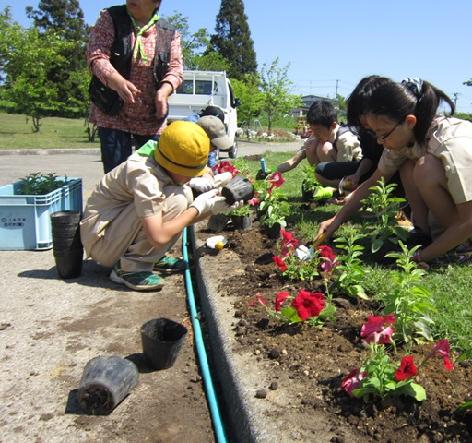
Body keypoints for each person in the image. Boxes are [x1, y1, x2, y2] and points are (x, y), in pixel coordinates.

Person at [315, 78, 472, 264]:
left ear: (409, 121)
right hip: (470, 215)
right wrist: (336, 219)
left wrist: (419, 258)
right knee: (408, 165)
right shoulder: (405, 137)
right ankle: (424, 235)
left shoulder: (454, 142)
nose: (380, 142)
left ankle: (462, 248)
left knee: (425, 168)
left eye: (382, 134)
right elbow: (374, 181)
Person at [80, 121, 240, 291]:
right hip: (102, 241)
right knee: (178, 199)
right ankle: (129, 267)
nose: (192, 176)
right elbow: (159, 237)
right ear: (174, 166)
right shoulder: (145, 179)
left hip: (116, 230)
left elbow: (182, 221)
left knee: (182, 194)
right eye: (190, 172)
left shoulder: (164, 154)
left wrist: (211, 209)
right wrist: (197, 207)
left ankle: (149, 257)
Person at [87, 0, 183, 173]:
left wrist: (164, 91)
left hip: (152, 117)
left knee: (154, 176)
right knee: (116, 177)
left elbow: (175, 69)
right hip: (113, 113)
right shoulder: (110, 18)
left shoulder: (170, 33)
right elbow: (97, 55)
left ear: (156, 2)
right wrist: (117, 81)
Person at [276, 101, 361, 187]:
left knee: (324, 147)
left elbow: (343, 170)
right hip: (338, 171)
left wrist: (341, 186)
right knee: (310, 145)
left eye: (318, 130)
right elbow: (294, 160)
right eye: (312, 129)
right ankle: (322, 182)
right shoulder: (317, 134)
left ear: (333, 125)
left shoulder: (344, 140)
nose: (314, 134)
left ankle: (333, 187)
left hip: (356, 173)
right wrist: (274, 173)